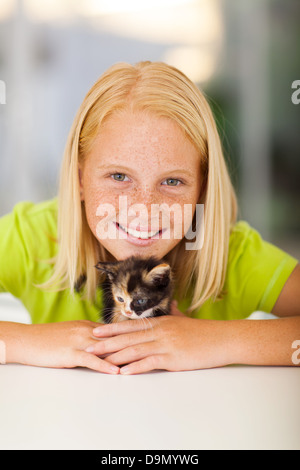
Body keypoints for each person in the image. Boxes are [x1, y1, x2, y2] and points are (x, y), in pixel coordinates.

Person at [0, 61, 299, 374]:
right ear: (79, 179)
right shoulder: (33, 236)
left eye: (172, 182)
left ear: (201, 189)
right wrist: (23, 340)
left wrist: (220, 339)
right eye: (118, 176)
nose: (144, 208)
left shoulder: (231, 255)